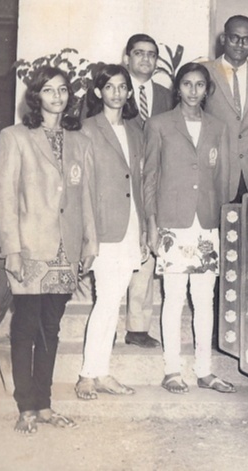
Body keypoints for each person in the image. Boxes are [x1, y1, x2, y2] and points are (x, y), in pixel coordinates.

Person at [0, 66, 97, 433]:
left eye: (63, 90)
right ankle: (26, 407)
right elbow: (4, 196)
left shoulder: (80, 141)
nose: (57, 96)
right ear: (36, 96)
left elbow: (85, 196)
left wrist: (90, 242)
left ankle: (45, 403)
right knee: (24, 327)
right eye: (49, 90)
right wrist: (13, 250)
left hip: (65, 251)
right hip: (29, 247)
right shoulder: (16, 136)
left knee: (50, 329)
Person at [143, 62, 235, 394]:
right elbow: (149, 177)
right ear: (177, 88)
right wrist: (152, 225)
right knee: (173, 298)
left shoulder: (218, 127)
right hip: (172, 223)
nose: (193, 91)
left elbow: (223, 179)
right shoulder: (159, 125)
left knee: (205, 299)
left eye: (199, 85)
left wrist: (222, 225)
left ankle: (205, 371)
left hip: (206, 225)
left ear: (207, 89)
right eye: (187, 84)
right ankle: (171, 370)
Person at [74, 64, 146, 400]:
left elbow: (142, 183)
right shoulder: (87, 129)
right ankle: (89, 374)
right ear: (98, 92)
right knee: (106, 301)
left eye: (122, 86)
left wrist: (145, 229)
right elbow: (83, 187)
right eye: (110, 87)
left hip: (131, 225)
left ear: (130, 92)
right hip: (103, 229)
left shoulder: (136, 128)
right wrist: (88, 235)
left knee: (112, 300)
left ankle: (99, 371)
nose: (116, 92)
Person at [122, 33, 174, 349]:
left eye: (152, 54)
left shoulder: (168, 96)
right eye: (139, 53)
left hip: (154, 181)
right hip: (120, 181)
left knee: (148, 252)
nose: (145, 59)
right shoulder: (113, 87)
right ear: (127, 58)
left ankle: (138, 327)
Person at [203, 15, 248, 203]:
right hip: (214, 171)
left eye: (246, 40)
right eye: (234, 37)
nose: (240, 44)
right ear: (223, 39)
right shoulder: (204, 72)